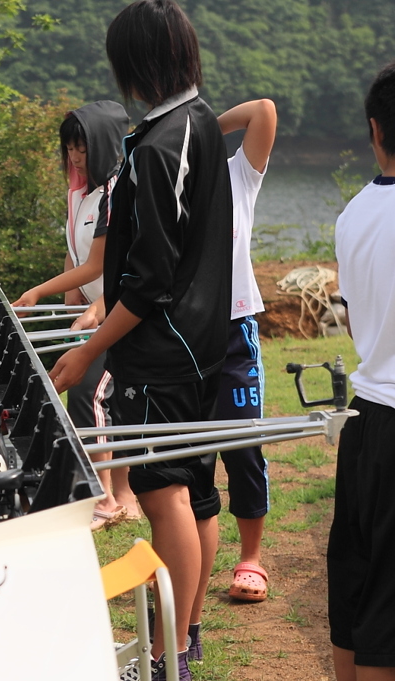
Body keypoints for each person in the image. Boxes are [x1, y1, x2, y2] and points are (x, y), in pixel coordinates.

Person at [48, 2, 232, 679]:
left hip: (162, 350)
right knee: (194, 491)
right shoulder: (200, 121)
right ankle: (185, 637)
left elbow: (149, 280)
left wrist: (90, 347)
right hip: (200, 342)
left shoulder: (157, 147)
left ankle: (168, 657)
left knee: (164, 496)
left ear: (137, 62)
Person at [12, 101, 140, 531]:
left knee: (91, 395)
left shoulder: (114, 194)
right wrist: (66, 308)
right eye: (69, 147)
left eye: (82, 147)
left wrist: (34, 292)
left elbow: (98, 267)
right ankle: (111, 492)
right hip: (91, 316)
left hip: (120, 313)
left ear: (104, 145)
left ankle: (104, 496)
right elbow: (74, 257)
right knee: (92, 397)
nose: (74, 156)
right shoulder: (78, 194)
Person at [329, 59, 395, 681]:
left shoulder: (352, 217)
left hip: (366, 416)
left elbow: (354, 322)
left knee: (354, 586)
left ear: (376, 131)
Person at [214, 99, 277, 609]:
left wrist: (205, 131)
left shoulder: (238, 173)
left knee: (243, 446)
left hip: (236, 329)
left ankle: (251, 557)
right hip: (182, 336)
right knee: (185, 450)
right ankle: (185, 552)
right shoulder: (172, 183)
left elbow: (263, 111)